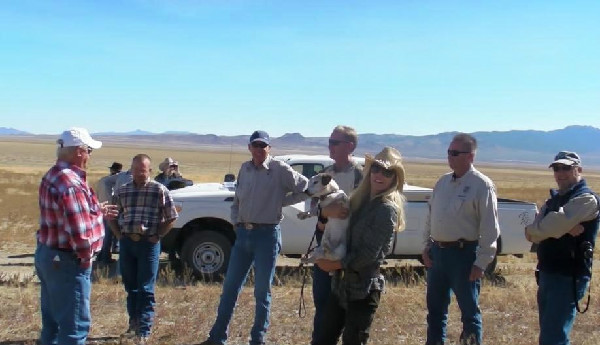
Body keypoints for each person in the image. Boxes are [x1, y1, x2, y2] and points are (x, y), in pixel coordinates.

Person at [199, 130, 309, 345]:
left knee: (261, 291)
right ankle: (217, 337)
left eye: (263, 146)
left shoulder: (279, 169)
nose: (259, 149)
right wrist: (235, 219)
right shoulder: (245, 168)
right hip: (243, 235)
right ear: (249, 147)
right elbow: (238, 199)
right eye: (255, 145)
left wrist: (281, 202)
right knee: (230, 288)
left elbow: (306, 187)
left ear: (269, 148)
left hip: (266, 235)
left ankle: (258, 339)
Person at [313, 146, 406, 345]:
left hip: (364, 288)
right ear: (370, 170)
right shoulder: (357, 200)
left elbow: (368, 255)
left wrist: (333, 265)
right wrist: (325, 214)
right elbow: (334, 228)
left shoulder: (386, 209)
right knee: (322, 339)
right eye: (376, 169)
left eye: (387, 172)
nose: (380, 175)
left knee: (353, 341)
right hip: (340, 285)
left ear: (394, 178)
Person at [34, 127, 117, 345]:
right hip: (67, 260)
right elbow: (78, 229)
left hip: (49, 255)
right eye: (89, 150)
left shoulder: (53, 175)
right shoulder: (71, 183)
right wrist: (85, 257)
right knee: (74, 328)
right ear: (79, 151)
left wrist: (97, 211)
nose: (89, 155)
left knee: (52, 322)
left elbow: (66, 214)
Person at [421, 133, 500, 345]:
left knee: (469, 312)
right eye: (449, 152)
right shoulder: (443, 182)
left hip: (464, 255)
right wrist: (426, 246)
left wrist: (481, 262)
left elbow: (490, 229)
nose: (450, 157)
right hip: (438, 254)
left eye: (455, 153)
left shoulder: (481, 185)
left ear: (470, 156)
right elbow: (430, 216)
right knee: (435, 310)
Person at [525, 151, 599, 345]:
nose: (560, 173)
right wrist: (560, 227)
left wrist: (552, 225)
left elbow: (546, 226)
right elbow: (536, 230)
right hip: (548, 272)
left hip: (569, 276)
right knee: (549, 334)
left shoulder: (587, 199)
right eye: (557, 168)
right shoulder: (555, 199)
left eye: (566, 168)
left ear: (579, 170)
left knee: (553, 337)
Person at [109, 154, 179, 344]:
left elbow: (172, 217)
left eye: (143, 170)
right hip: (127, 244)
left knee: (146, 288)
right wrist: (118, 235)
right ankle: (133, 325)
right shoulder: (122, 191)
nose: (139, 173)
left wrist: (158, 235)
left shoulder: (159, 190)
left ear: (149, 170)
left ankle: (145, 330)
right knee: (130, 287)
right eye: (136, 170)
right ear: (131, 170)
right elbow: (112, 215)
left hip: (148, 244)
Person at [311, 125, 363, 345]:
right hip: (325, 242)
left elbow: (364, 211)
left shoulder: (361, 175)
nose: (330, 147)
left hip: (350, 249)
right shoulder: (327, 173)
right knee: (322, 301)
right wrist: (323, 213)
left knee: (346, 306)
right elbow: (312, 204)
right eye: (329, 142)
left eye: (335, 142)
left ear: (349, 146)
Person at [96, 161, 123, 264]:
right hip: (110, 210)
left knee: (103, 235)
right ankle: (105, 257)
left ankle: (101, 256)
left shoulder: (103, 180)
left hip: (102, 209)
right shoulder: (115, 181)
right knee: (108, 235)